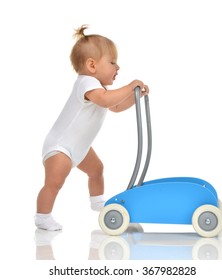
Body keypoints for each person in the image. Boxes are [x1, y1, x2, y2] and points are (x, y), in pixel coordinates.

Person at [35, 25, 149, 231]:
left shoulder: (99, 88)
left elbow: (114, 106)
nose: (118, 67)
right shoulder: (86, 83)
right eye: (112, 62)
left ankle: (98, 203)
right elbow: (106, 101)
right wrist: (130, 86)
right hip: (61, 146)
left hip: (80, 146)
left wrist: (134, 97)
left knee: (97, 170)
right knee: (54, 182)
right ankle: (43, 217)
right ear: (92, 65)